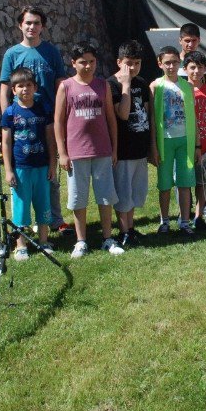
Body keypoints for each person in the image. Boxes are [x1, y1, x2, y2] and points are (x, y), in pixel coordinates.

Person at [0, 6, 68, 232]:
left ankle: (54, 220)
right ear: (20, 25)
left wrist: (62, 114)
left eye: (36, 23)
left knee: (50, 172)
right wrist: (5, 120)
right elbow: (3, 90)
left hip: (47, 119)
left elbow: (60, 84)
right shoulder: (12, 54)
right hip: (20, 120)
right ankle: (24, 223)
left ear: (43, 27)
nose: (32, 27)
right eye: (28, 23)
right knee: (22, 170)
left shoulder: (51, 52)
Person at [55, 43, 121, 258]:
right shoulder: (66, 86)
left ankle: (108, 238)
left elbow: (111, 118)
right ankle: (81, 240)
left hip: (102, 150)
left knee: (105, 196)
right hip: (76, 153)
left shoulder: (103, 86)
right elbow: (58, 122)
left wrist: (114, 148)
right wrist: (62, 153)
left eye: (92, 61)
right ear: (73, 63)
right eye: (83, 62)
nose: (88, 66)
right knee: (78, 198)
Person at [1, 67, 55, 260]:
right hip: (21, 168)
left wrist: (52, 164)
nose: (25, 89)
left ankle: (43, 241)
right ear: (13, 90)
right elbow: (6, 143)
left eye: (29, 85)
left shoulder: (43, 109)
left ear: (35, 87)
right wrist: (8, 170)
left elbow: (50, 138)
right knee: (21, 207)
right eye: (20, 86)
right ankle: (21, 244)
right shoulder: (10, 112)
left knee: (43, 204)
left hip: (41, 167)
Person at [107, 40, 154, 249]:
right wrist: (125, 84)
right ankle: (124, 231)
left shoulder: (142, 84)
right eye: (128, 63)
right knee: (123, 194)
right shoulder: (112, 84)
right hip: (123, 149)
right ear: (119, 62)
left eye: (137, 63)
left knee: (135, 193)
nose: (133, 68)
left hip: (139, 148)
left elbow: (147, 115)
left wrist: (151, 147)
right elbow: (124, 114)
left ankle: (131, 228)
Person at [151, 46, 198, 236]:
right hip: (165, 141)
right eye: (167, 63)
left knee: (185, 182)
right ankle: (164, 221)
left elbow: (192, 117)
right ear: (160, 63)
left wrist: (196, 144)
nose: (171, 66)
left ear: (180, 62)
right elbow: (153, 118)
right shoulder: (156, 86)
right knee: (164, 184)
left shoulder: (187, 86)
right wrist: (153, 145)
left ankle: (185, 221)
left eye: (174, 62)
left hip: (185, 140)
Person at [184, 51, 206, 229]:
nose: (196, 71)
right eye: (192, 67)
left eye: (200, 67)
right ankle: (190, 215)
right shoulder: (182, 89)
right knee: (192, 182)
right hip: (187, 144)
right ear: (186, 69)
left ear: (205, 69)